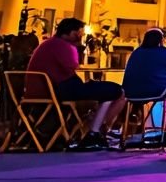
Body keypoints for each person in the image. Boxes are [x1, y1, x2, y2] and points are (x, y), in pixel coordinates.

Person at [27, 17, 125, 150]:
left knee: (103, 91)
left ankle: (94, 129)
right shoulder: (63, 46)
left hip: (47, 89)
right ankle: (95, 132)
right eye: (78, 33)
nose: (80, 36)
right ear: (68, 32)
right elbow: (73, 66)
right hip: (59, 90)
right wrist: (77, 49)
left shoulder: (48, 44)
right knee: (116, 91)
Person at [122, 28, 166, 101]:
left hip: (129, 94)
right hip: (157, 94)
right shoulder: (164, 53)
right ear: (160, 40)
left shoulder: (136, 52)